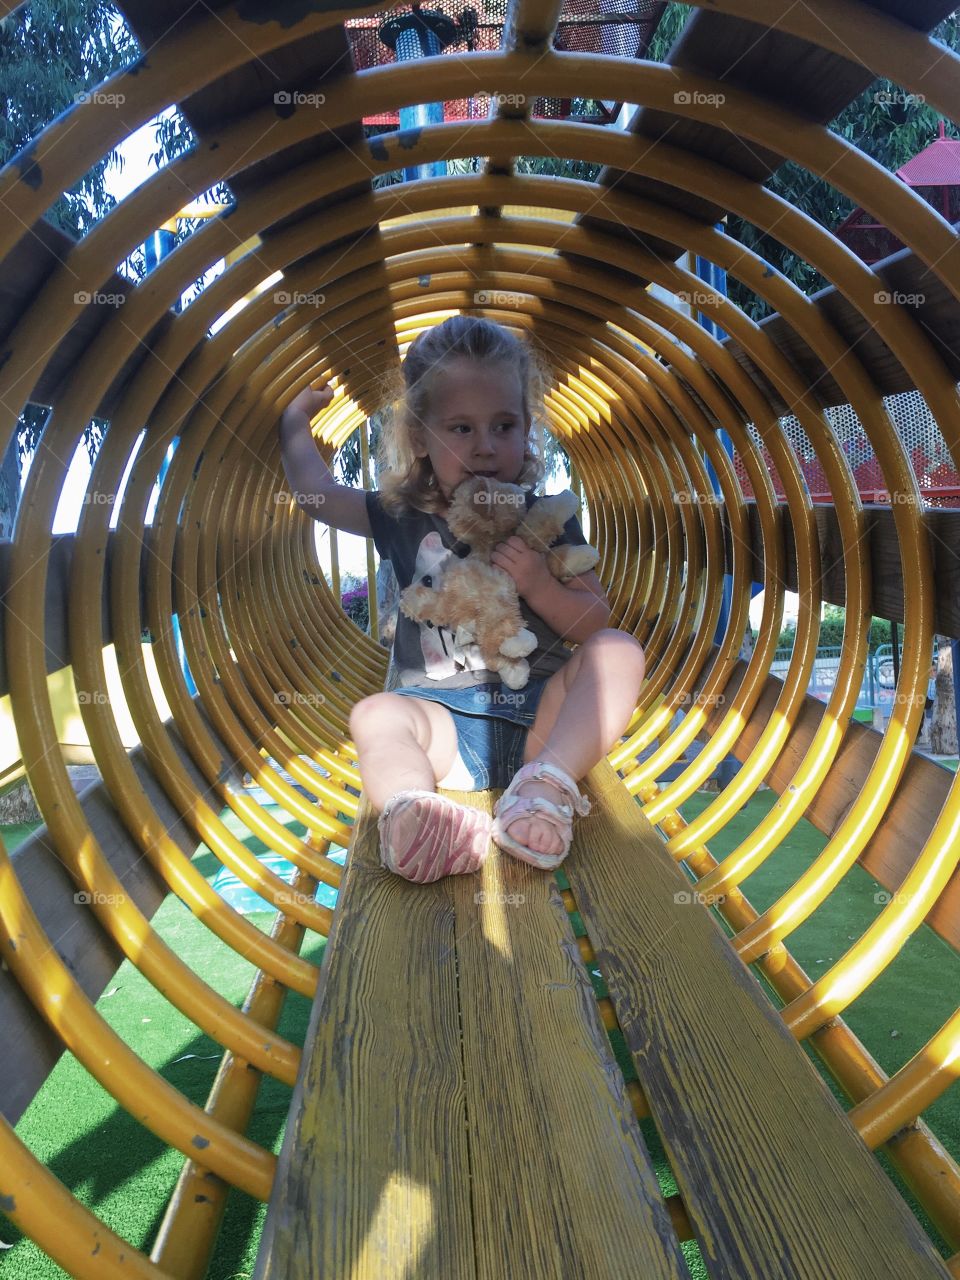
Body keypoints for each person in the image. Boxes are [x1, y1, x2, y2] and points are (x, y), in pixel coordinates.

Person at [278, 315, 646, 883]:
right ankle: (413, 812)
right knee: (376, 714)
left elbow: (594, 622)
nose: (486, 448)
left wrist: (540, 586)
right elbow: (318, 496)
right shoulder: (402, 515)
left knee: (619, 651)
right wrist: (293, 426)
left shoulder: (546, 519)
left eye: (504, 425)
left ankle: (546, 787)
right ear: (421, 436)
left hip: (544, 726)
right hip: (442, 726)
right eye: (461, 428)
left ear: (528, 429)